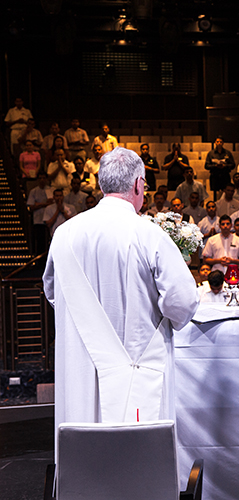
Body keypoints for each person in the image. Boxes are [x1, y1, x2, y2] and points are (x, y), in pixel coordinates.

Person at [43, 147, 199, 434]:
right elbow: (183, 300)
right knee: (137, 455)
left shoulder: (64, 234)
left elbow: (54, 293)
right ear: (139, 184)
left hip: (80, 360)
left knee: (82, 442)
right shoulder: (149, 234)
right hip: (139, 357)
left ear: (102, 183)